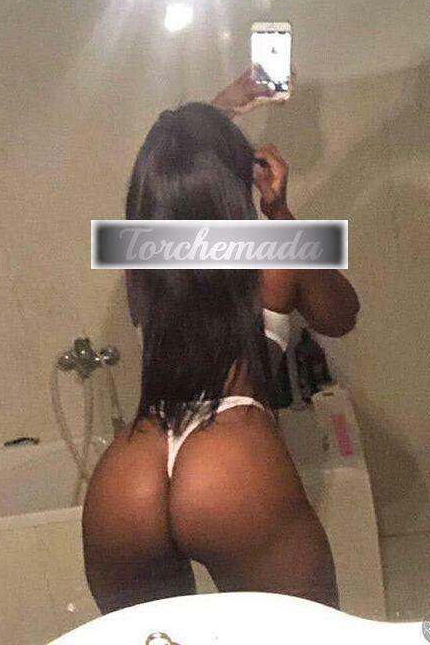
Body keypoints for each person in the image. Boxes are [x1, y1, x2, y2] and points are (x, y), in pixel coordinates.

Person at [82, 71, 360, 614]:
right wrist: (279, 212)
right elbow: (341, 315)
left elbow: (177, 175)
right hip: (229, 458)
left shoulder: (142, 263)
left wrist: (219, 111)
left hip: (130, 470)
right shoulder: (275, 256)